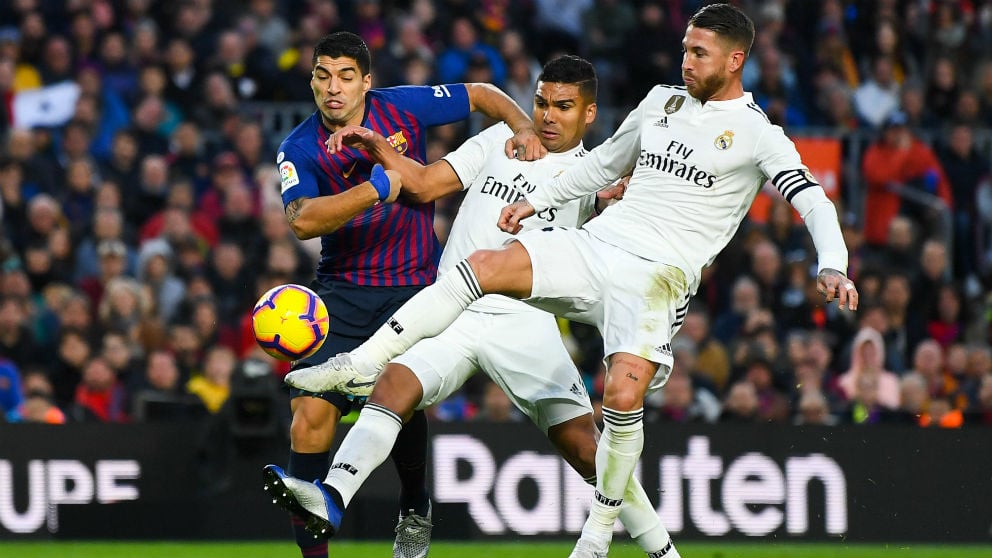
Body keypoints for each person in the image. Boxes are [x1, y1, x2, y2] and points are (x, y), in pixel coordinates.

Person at [283, 6, 857, 558]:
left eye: (699, 52)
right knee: (419, 349)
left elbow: (804, 197)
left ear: (735, 61)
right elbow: (441, 182)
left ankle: (638, 545)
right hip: (507, 291)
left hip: (582, 307)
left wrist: (831, 261)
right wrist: (517, 193)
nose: (685, 60)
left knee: (596, 436)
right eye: (684, 48)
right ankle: (340, 457)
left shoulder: (745, 138)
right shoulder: (579, 125)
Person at [263, 55, 679, 558]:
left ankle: (662, 551)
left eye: (563, 107)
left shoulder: (594, 175)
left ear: (589, 114)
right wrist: (376, 146)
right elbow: (421, 185)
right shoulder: (495, 143)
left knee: (589, 454)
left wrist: (614, 205)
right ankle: (332, 497)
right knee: (394, 381)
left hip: (525, 325)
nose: (548, 116)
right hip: (454, 311)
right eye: (541, 103)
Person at [270, 31, 544, 558]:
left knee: (400, 395)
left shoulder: (399, 107)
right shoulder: (298, 146)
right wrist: (375, 188)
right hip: (341, 295)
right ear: (311, 81)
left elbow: (481, 93)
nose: (334, 88)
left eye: (346, 77)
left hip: (414, 288)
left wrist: (523, 124)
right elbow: (302, 221)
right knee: (309, 415)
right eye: (323, 75)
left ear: (366, 83)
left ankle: (415, 506)